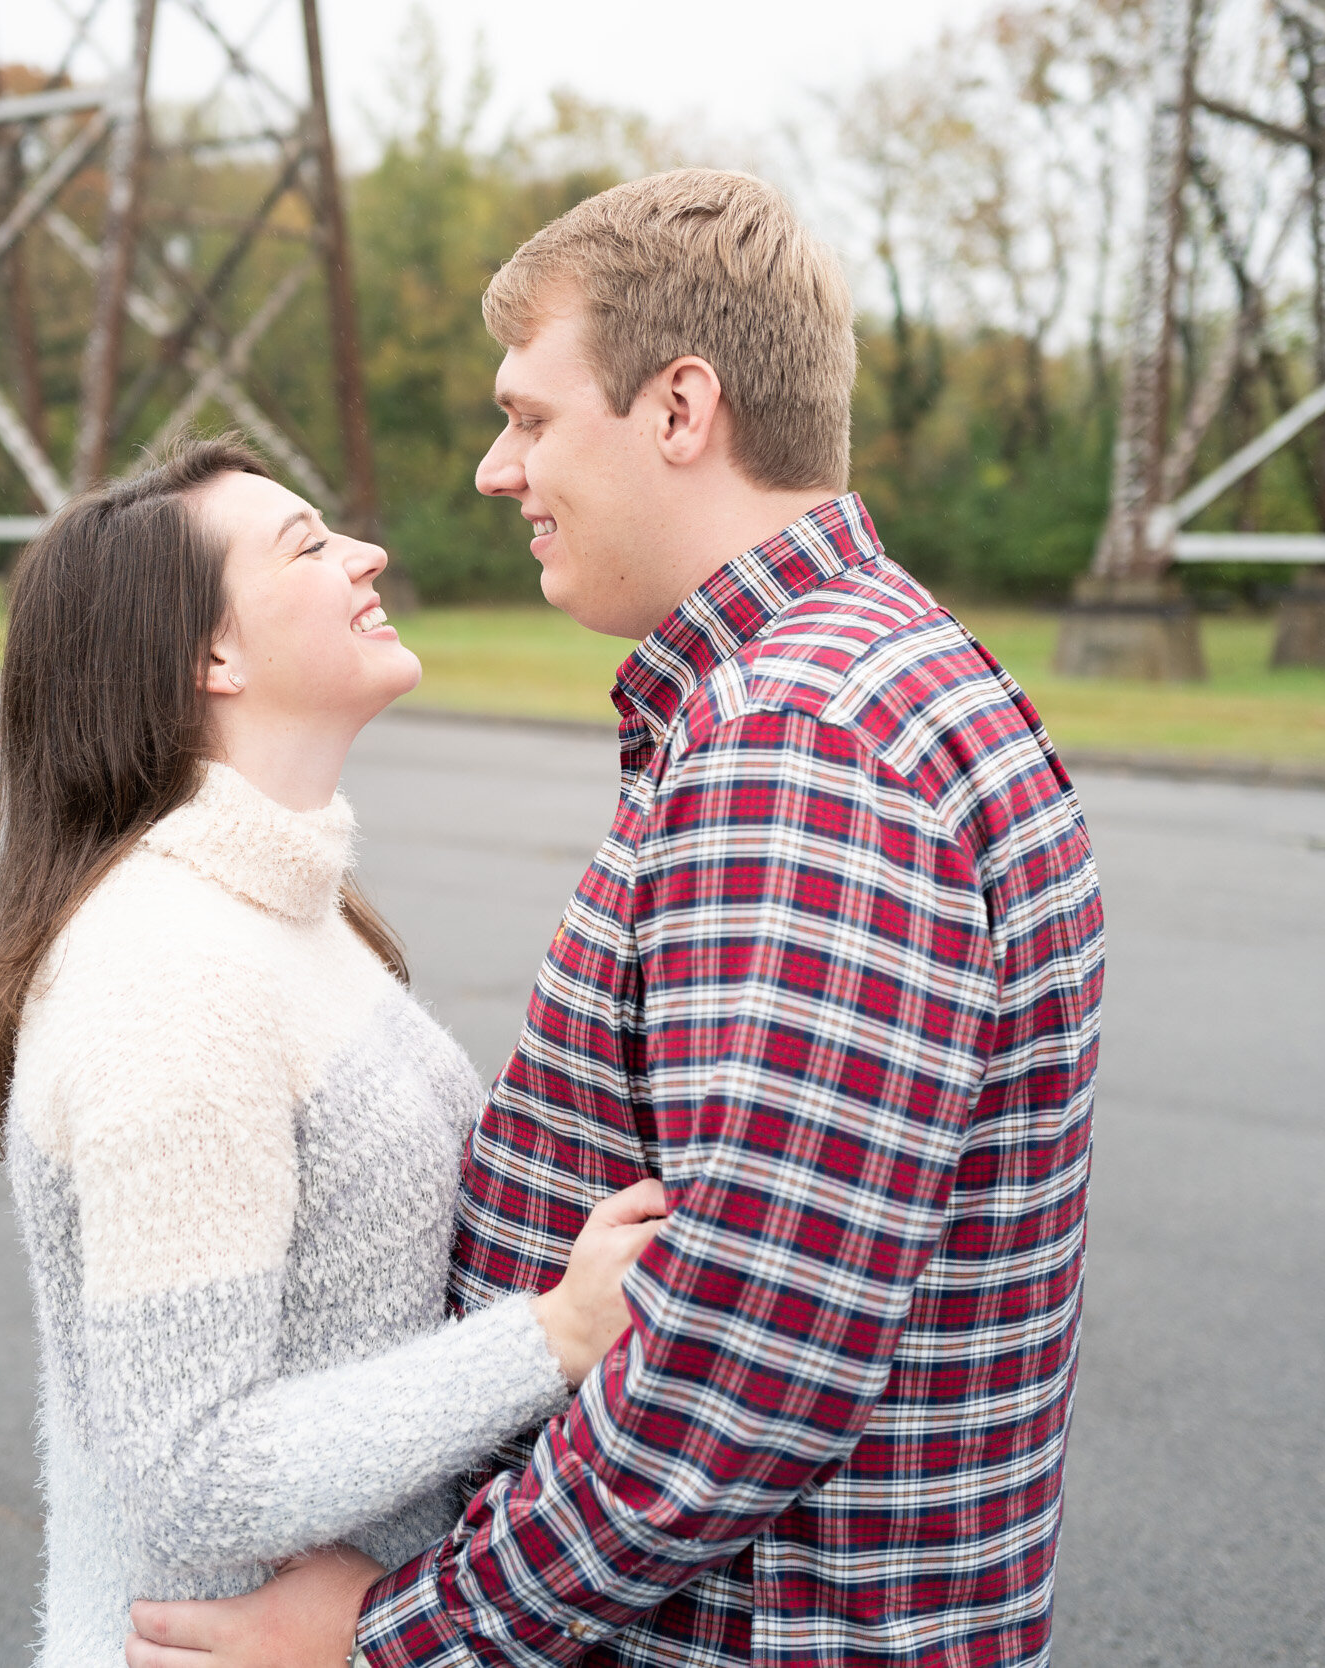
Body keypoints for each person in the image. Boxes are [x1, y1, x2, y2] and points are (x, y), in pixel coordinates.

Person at [124, 170, 1106, 1668]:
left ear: (677, 410)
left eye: (529, 416)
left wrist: (396, 1639)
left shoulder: (806, 740)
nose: (491, 471)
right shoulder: (841, 685)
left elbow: (739, 1371)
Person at [0, 436, 670, 1667]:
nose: (367, 552)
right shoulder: (168, 977)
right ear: (210, 656)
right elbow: (192, 1471)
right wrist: (550, 1338)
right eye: (307, 543)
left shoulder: (278, 912)